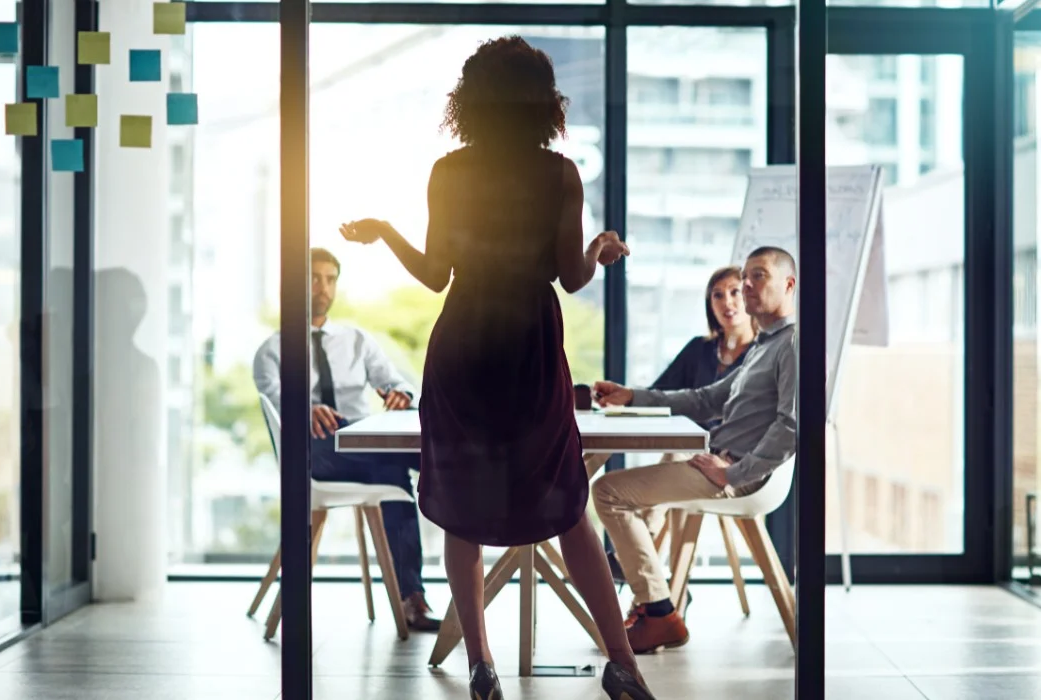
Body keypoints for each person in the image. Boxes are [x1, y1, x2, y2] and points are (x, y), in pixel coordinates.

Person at [338, 35, 655, 700]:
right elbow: (571, 279)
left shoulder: (449, 172)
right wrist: (598, 249)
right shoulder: (559, 174)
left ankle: (481, 667)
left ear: (471, 100)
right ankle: (621, 662)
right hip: (530, 352)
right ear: (542, 100)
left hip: (462, 350)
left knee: (463, 511)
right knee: (568, 504)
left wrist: (386, 231)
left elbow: (432, 277)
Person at [590, 246, 798, 655]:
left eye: (758, 276)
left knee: (607, 493)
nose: (746, 286)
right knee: (613, 490)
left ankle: (658, 612)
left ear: (789, 285)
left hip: (737, 475)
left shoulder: (791, 345)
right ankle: (656, 606)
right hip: (720, 462)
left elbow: (792, 427)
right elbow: (705, 400)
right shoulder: (764, 345)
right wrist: (632, 396)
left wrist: (733, 474)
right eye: (745, 276)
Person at [252, 247, 441, 632]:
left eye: (330, 279)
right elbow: (276, 401)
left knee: (438, 458)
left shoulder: (356, 340)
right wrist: (304, 408)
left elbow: (395, 381)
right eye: (313, 278)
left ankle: (454, 563)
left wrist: (400, 393)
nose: (323, 288)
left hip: (364, 445)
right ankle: (413, 598)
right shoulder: (272, 350)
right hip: (314, 453)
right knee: (397, 476)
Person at [606, 265, 758, 586]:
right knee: (682, 451)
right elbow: (665, 393)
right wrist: (627, 397)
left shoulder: (762, 355)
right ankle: (671, 593)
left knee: (679, 457)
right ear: (709, 304)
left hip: (730, 464)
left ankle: (637, 558)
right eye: (718, 295)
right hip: (691, 456)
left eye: (734, 292)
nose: (727, 302)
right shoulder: (699, 349)